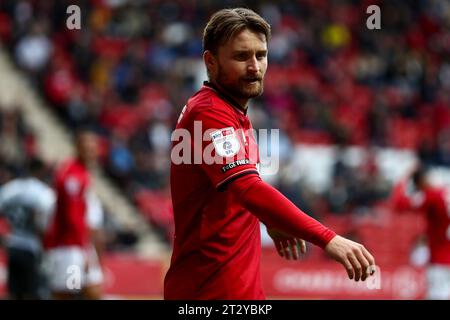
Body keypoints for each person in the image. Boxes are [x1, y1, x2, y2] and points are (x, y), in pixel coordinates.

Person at [164, 8, 376, 299]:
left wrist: (270, 221)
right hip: (210, 291)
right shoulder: (210, 113)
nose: (255, 67)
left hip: (236, 289)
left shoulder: (231, 112)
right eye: (241, 57)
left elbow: (231, 194)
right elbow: (247, 188)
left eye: (260, 55)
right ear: (210, 62)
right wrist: (328, 239)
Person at [43, 128, 105, 300]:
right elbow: (72, 218)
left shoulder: (81, 174)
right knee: (66, 294)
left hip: (81, 244)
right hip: (70, 248)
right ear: (77, 148)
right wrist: (83, 250)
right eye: (88, 148)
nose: (92, 152)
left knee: (94, 291)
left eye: (94, 148)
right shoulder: (72, 175)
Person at [391, 164, 450, 299]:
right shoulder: (445, 191)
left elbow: (399, 203)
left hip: (440, 261)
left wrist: (403, 178)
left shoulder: (432, 196)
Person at [0, 158, 55, 299]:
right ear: (41, 170)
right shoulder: (44, 193)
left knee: (14, 292)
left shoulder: (10, 188)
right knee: (32, 292)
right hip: (32, 246)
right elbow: (44, 224)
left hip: (12, 244)